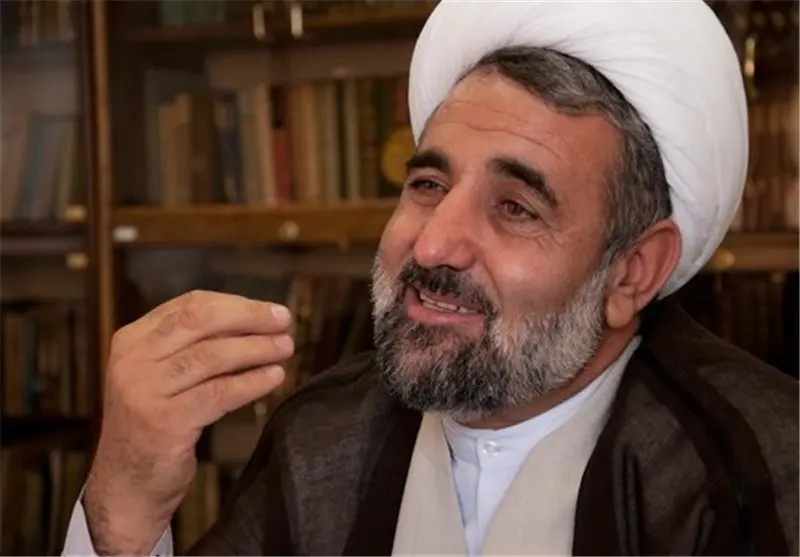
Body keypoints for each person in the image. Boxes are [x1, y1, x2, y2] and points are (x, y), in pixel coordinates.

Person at [63, 1, 798, 555]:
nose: (435, 242)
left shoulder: (759, 469)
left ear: (632, 272)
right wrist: (123, 512)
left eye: (515, 207)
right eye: (427, 185)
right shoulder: (322, 437)